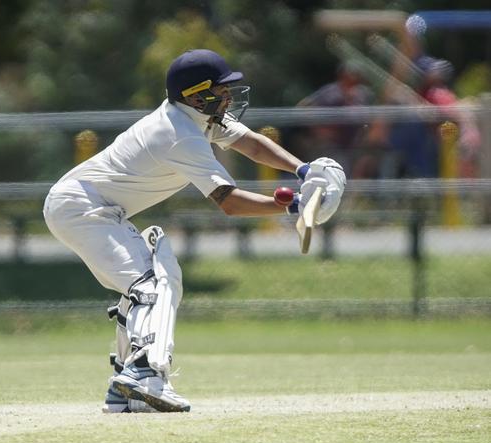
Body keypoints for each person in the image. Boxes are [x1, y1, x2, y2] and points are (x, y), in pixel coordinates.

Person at [43, 49, 346, 413]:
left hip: (93, 207)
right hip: (81, 208)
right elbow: (229, 202)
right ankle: (143, 374)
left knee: (156, 277)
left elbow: (249, 142)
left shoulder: (201, 116)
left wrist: (303, 170)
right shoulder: (179, 133)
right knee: (151, 285)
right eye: (222, 90)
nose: (229, 97)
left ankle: (126, 386)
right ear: (195, 94)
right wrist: (293, 205)